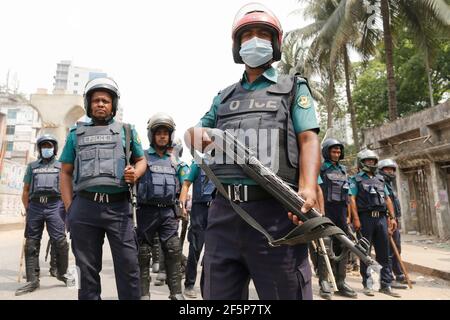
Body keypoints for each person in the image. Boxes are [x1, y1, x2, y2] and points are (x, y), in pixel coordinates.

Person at [185, 2, 321, 300]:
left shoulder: (293, 89)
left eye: (262, 33)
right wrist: (205, 137)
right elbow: (193, 134)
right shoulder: (223, 97)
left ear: (275, 42)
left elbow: (309, 139)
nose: (254, 39)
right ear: (237, 45)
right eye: (247, 35)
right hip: (224, 213)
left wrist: (308, 188)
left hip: (276, 213)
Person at [59, 77, 147, 300]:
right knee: (86, 270)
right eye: (96, 100)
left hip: (119, 210)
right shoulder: (74, 134)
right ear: (89, 104)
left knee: (129, 267)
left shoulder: (127, 131)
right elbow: (65, 173)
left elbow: (141, 160)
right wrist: (71, 209)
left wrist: (135, 173)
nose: (100, 104)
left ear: (113, 105)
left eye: (105, 101)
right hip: (85, 208)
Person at [136, 113, 189, 300]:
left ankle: (176, 293)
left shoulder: (175, 161)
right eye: (158, 132)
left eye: (166, 133)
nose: (162, 136)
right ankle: (143, 294)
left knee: (173, 250)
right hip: (146, 211)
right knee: (143, 253)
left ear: (170, 136)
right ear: (152, 135)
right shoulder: (141, 157)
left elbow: (185, 182)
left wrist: (182, 203)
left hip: (168, 212)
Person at [15, 134, 70, 296]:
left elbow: (67, 188)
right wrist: (28, 209)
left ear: (54, 148)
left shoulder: (61, 166)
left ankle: (61, 272)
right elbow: (25, 190)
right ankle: (32, 279)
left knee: (60, 241)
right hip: (36, 206)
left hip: (55, 205)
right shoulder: (32, 167)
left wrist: (67, 208)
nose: (47, 149)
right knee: (31, 243)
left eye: (49, 146)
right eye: (44, 146)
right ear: (39, 148)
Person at [348, 149, 401, 298]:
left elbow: (387, 199)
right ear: (361, 162)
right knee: (364, 252)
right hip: (365, 219)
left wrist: (392, 218)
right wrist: (356, 219)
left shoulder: (380, 179)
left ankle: (386, 284)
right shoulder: (355, 180)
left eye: (373, 161)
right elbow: (352, 199)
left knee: (384, 253)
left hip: (381, 219)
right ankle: (368, 284)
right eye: (367, 161)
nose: (371, 163)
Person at [316, 139, 357, 299]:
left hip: (341, 213)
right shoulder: (320, 169)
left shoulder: (344, 170)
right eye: (333, 151)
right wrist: (320, 212)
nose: (336, 154)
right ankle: (324, 282)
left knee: (343, 244)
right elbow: (317, 188)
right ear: (327, 152)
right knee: (324, 245)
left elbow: (348, 195)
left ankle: (341, 281)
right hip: (326, 212)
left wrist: (348, 216)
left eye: (339, 152)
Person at [179, 160, 216, 298]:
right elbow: (186, 184)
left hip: (216, 209)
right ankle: (189, 284)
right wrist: (182, 204)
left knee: (212, 251)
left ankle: (206, 287)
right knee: (195, 249)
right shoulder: (197, 164)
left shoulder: (222, 162)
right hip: (199, 210)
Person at [378, 159, 411, 289]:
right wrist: (388, 219)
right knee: (389, 250)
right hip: (386, 220)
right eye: (387, 169)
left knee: (397, 247)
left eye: (392, 169)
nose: (390, 172)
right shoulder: (380, 183)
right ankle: (389, 278)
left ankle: (399, 274)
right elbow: (383, 203)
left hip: (394, 220)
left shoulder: (390, 185)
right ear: (381, 170)